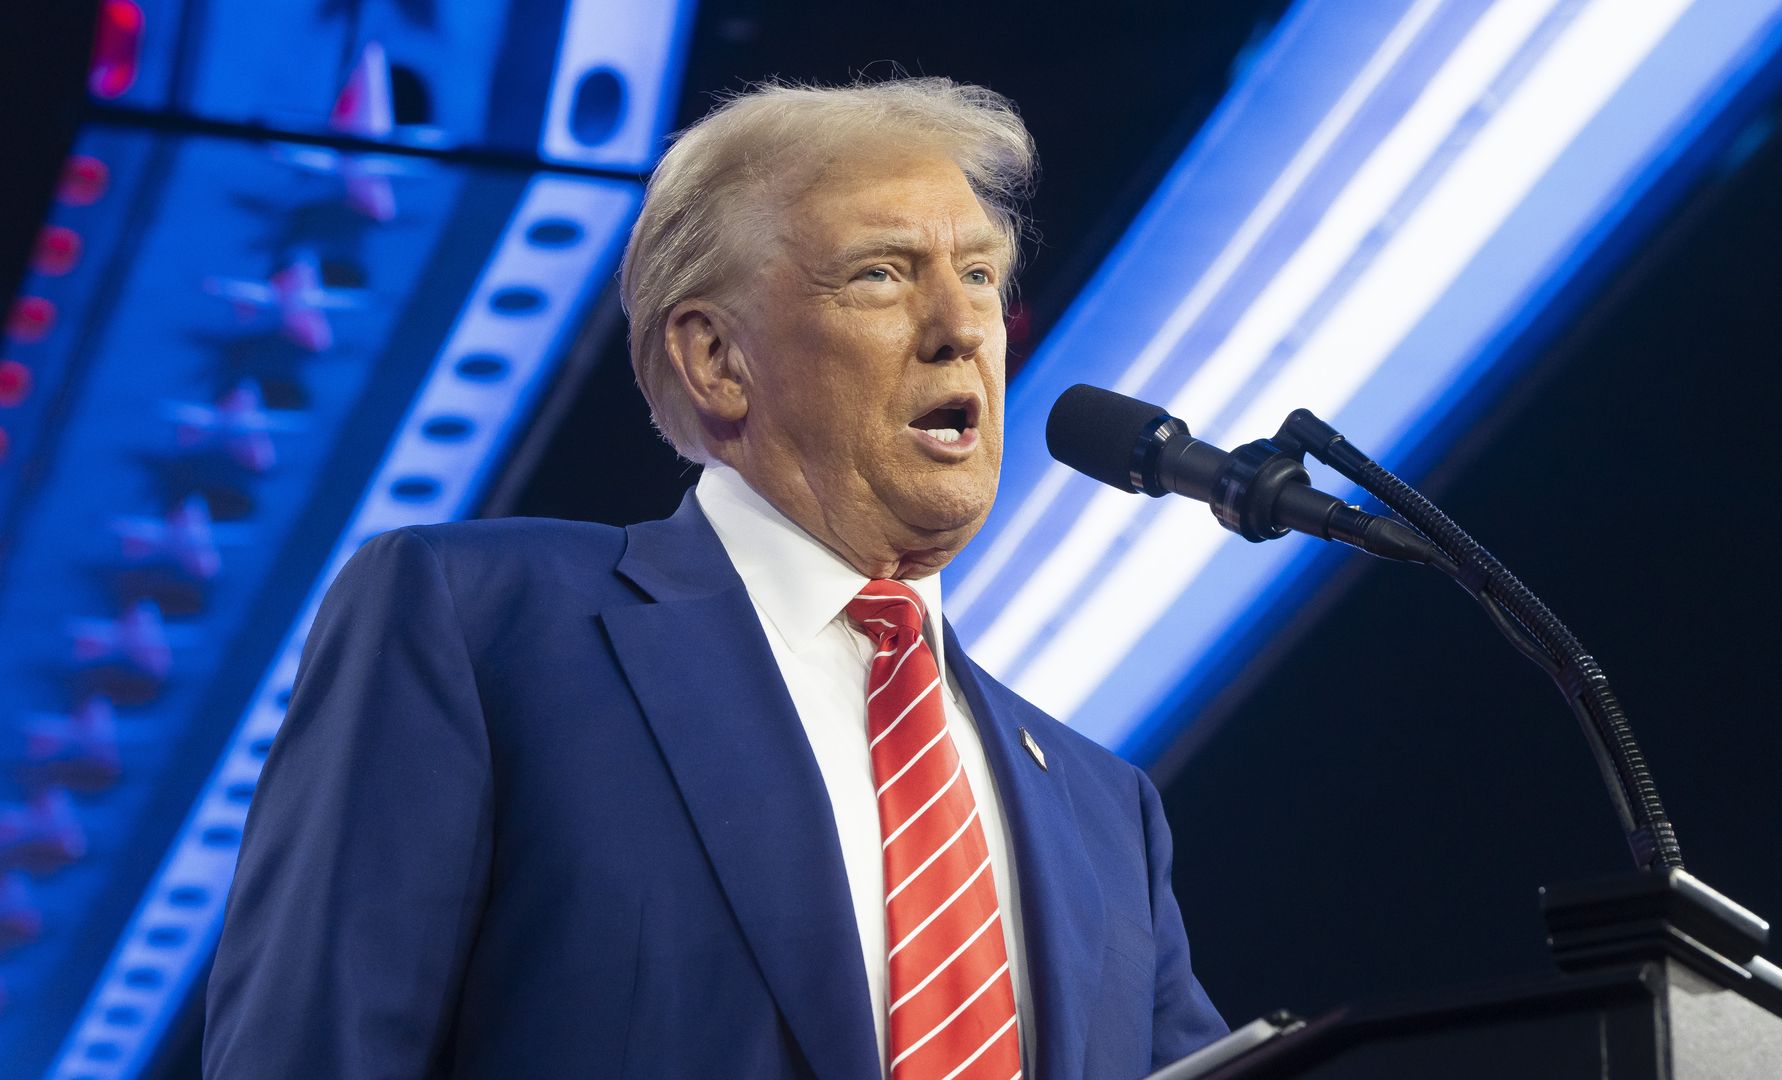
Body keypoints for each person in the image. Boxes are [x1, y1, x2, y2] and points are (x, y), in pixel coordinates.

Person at [205, 77, 1227, 1079]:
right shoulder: (482, 627)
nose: (963, 326)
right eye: (881, 273)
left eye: (978, 275)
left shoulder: (1107, 813)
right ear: (715, 359)